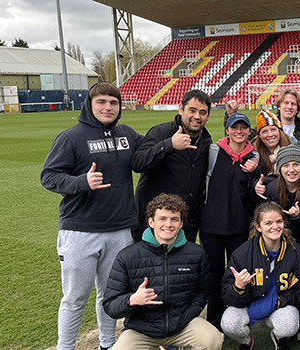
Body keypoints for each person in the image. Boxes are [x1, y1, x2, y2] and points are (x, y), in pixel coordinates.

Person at [40, 82, 142, 350]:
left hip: (120, 230)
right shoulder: (71, 137)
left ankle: (107, 345)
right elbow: (48, 176)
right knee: (74, 298)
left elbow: (149, 151)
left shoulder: (127, 134)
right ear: (90, 104)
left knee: (110, 295)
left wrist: (170, 142)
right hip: (80, 231)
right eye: (102, 102)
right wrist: (81, 182)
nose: (108, 107)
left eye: (113, 103)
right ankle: (65, 347)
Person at [103, 194, 223, 350]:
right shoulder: (127, 256)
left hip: (182, 326)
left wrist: (187, 315)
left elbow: (204, 291)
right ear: (151, 222)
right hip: (142, 330)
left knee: (212, 340)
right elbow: (110, 304)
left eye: (174, 219)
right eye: (162, 219)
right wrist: (132, 300)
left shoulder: (196, 254)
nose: (168, 224)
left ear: (181, 223)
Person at [200, 111, 264, 330]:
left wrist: (256, 183)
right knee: (215, 274)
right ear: (227, 130)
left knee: (237, 273)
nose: (239, 131)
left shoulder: (253, 158)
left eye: (243, 128)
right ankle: (215, 320)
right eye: (234, 127)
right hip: (211, 226)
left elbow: (254, 197)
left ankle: (235, 316)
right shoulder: (213, 152)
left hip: (238, 226)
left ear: (248, 131)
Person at [221, 202, 300, 350]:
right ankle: (245, 341)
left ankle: (279, 337)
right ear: (258, 227)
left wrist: (278, 301)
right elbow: (226, 296)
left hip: (280, 305)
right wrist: (237, 287)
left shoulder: (297, 252)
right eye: (268, 223)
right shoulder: (242, 254)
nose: (275, 226)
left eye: (279, 221)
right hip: (248, 305)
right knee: (229, 323)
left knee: (289, 325)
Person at [131, 89, 213, 243]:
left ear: (208, 116)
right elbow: (137, 163)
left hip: (186, 220)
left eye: (203, 112)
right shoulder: (162, 132)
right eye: (192, 110)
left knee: (181, 263)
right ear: (181, 109)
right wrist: (169, 145)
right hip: (157, 219)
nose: (197, 116)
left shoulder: (206, 141)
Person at [257, 145, 300, 247]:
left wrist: (299, 215)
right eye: (286, 165)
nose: (291, 170)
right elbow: (265, 220)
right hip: (279, 241)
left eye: (296, 164)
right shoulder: (271, 189)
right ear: (280, 169)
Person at [253, 108, 293, 175]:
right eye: (265, 131)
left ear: (279, 131)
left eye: (273, 130)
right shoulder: (254, 156)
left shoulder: (293, 150)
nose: (270, 134)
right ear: (259, 136)